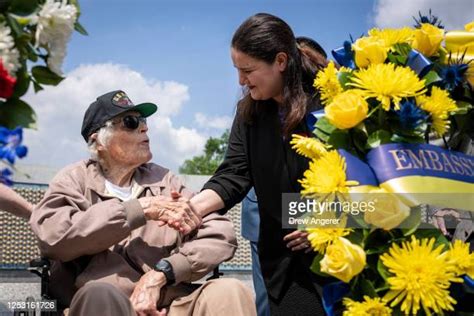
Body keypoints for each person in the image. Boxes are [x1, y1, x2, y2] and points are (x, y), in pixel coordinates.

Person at [29, 90, 256, 316]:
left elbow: (219, 232)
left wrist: (164, 273)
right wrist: (140, 209)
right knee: (99, 294)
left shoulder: (165, 181)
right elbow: (53, 237)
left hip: (168, 303)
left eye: (144, 121)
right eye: (130, 122)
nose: (144, 128)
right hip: (103, 305)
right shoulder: (73, 181)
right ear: (97, 140)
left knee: (230, 291)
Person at [185, 13, 330, 315]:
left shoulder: (334, 103)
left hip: (341, 263)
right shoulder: (248, 113)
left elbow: (376, 190)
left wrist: (324, 221)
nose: (240, 80)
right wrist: (190, 209)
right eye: (237, 70)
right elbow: (234, 174)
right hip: (285, 265)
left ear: (280, 61)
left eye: (248, 70)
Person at [241, 36, 328, 316]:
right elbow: (235, 171)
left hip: (331, 246)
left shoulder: (333, 110)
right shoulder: (255, 113)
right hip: (275, 242)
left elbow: (378, 199)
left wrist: (324, 222)